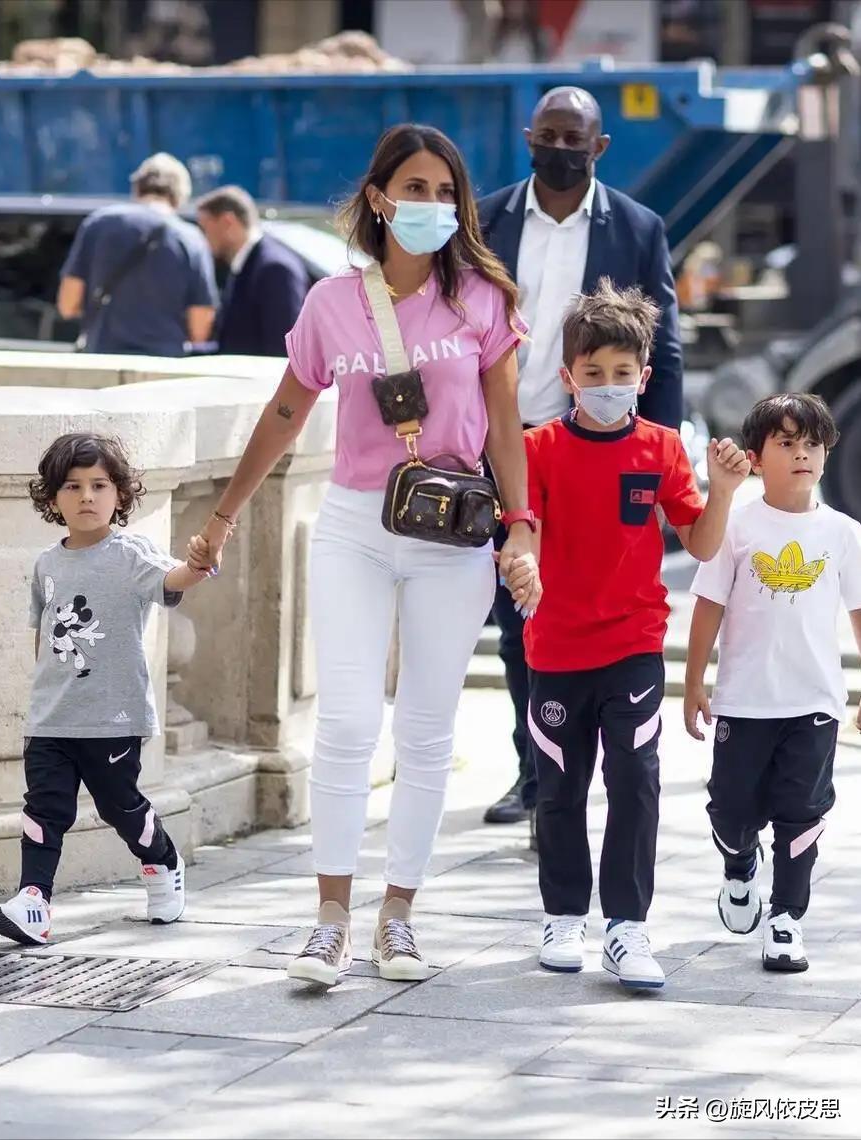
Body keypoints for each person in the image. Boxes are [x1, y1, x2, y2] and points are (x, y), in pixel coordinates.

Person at [187, 123, 540, 987]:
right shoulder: (330, 303)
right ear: (380, 198)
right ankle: (330, 920)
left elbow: (504, 423)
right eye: (415, 189)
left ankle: (400, 916)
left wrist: (522, 526)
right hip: (354, 526)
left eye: (446, 192)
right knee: (347, 725)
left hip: (451, 535)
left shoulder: (483, 300)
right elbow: (286, 411)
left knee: (426, 730)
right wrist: (224, 516)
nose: (433, 206)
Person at [506, 279, 749, 989]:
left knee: (637, 782)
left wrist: (723, 491)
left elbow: (700, 544)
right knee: (559, 787)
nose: (608, 386)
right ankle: (562, 916)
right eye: (593, 373)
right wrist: (523, 565)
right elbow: (525, 533)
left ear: (644, 377)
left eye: (622, 373)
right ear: (567, 376)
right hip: (556, 648)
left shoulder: (663, 448)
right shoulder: (537, 448)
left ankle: (627, 928)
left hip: (635, 645)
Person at [478, 86, 684, 829]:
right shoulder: (487, 221)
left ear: (599, 148)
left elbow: (663, 348)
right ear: (529, 136)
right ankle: (535, 774)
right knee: (518, 612)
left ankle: (569, 769)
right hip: (506, 443)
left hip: (597, 447)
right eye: (549, 135)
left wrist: (658, 457)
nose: (560, 148)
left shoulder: (637, 227)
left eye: (575, 139)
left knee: (586, 603)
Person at [0, 433, 211, 947]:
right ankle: (33, 901)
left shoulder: (129, 554)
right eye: (72, 486)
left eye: (99, 485)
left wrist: (198, 564)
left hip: (113, 717)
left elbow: (173, 579)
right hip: (51, 719)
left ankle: (162, 861)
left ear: (120, 494)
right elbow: (43, 637)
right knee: (44, 809)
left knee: (118, 807)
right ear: (52, 498)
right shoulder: (46, 563)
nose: (86, 496)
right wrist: (45, 699)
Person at [684, 394, 861, 973]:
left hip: (815, 702)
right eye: (786, 443)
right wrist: (693, 683)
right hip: (744, 702)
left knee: (802, 813)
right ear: (757, 458)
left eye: (812, 443)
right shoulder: (735, 527)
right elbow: (708, 606)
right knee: (730, 812)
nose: (802, 454)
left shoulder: (844, 533)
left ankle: (786, 918)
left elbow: (859, 614)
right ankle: (740, 865)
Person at [56, 153, 218, 356]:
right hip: (164, 364)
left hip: (103, 360)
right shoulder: (192, 239)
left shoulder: (99, 223)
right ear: (180, 195)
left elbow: (68, 304)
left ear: (137, 188)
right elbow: (200, 326)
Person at [195, 185, 310, 357]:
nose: (203, 238)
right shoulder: (247, 264)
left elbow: (282, 349)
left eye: (205, 228)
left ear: (227, 221)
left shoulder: (274, 268)